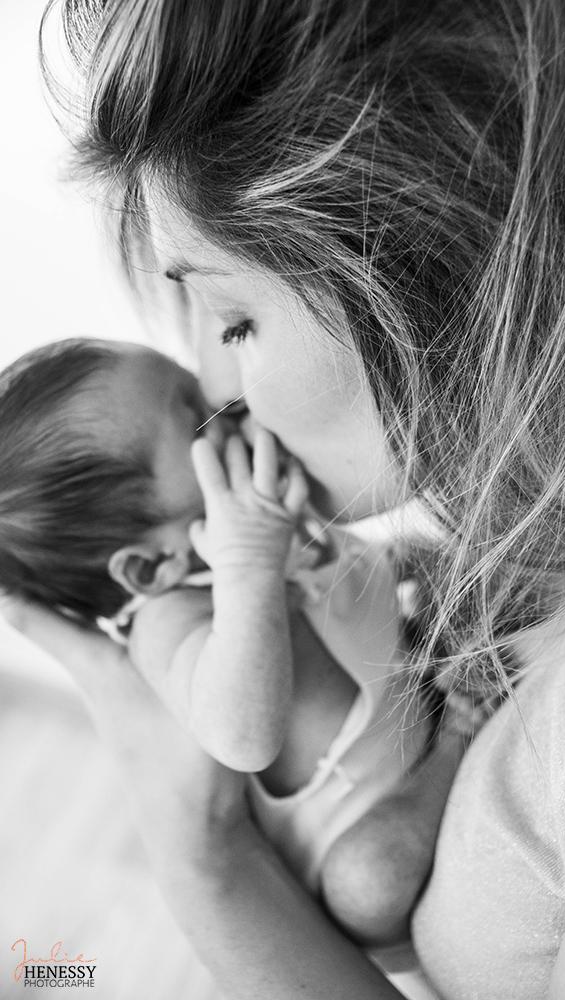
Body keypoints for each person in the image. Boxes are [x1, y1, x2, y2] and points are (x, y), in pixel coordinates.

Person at [12, 0, 565, 996]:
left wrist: (204, 855)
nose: (221, 399)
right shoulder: (516, 517)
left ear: (439, 277)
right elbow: (254, 716)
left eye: (232, 320)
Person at [0, 336, 451, 957]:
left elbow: (350, 581)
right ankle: (462, 735)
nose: (225, 401)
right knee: (366, 883)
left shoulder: (261, 520)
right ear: (150, 568)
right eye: (195, 416)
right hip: (371, 828)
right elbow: (241, 737)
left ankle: (455, 710)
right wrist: (249, 565)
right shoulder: (169, 621)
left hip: (409, 695)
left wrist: (401, 563)